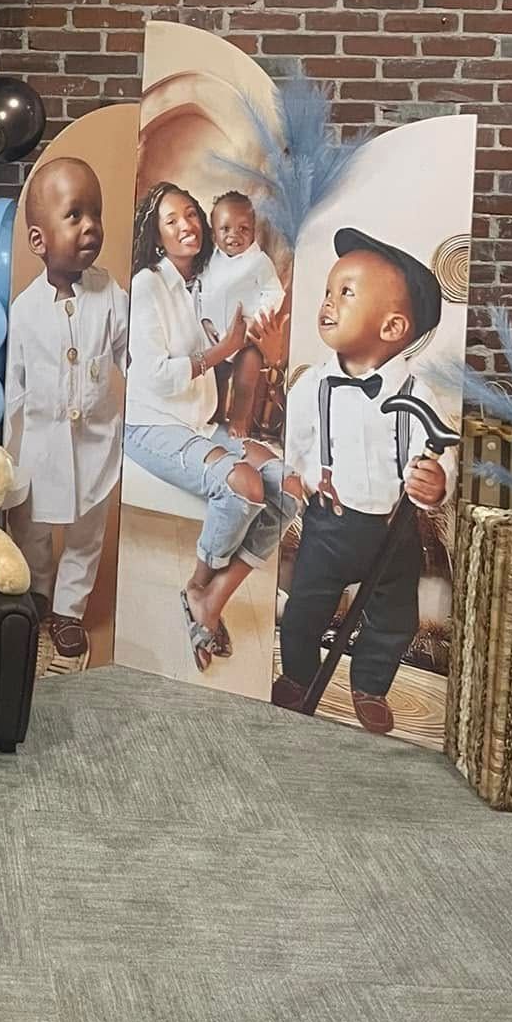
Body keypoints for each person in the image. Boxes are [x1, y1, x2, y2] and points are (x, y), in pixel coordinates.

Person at [275, 229, 454, 735]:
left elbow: (438, 450)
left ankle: (370, 683)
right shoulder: (313, 386)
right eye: (329, 292)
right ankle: (298, 676)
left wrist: (435, 480)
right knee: (306, 607)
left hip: (393, 530)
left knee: (395, 617)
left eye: (346, 293)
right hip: (329, 523)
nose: (328, 303)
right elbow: (298, 444)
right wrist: (302, 477)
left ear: (393, 326)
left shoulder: (418, 394)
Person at [124, 181, 301, 672]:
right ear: (157, 237)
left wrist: (262, 348)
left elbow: (250, 339)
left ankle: (212, 597)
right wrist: (223, 351)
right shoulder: (147, 285)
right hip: (150, 423)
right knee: (244, 488)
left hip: (200, 422)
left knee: (289, 488)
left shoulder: (207, 279)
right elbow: (156, 375)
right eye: (172, 220)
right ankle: (199, 584)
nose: (187, 226)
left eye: (191, 215)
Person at [3, 156, 129, 667]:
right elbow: (14, 389)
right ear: (39, 240)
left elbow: (132, 359)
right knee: (31, 527)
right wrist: (9, 457)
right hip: (37, 447)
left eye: (95, 214)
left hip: (96, 444)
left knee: (86, 532)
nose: (90, 227)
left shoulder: (113, 297)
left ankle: (70, 610)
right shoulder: (25, 311)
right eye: (74, 215)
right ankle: (36, 593)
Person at [195, 191, 286, 436]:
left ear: (254, 231)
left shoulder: (258, 261)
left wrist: (256, 323)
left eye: (243, 229)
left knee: (246, 380)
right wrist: (204, 322)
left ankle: (239, 421)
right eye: (225, 229)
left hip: (247, 337)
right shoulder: (210, 260)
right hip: (215, 335)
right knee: (217, 378)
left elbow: (274, 292)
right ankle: (214, 417)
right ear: (214, 233)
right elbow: (199, 290)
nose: (234, 235)